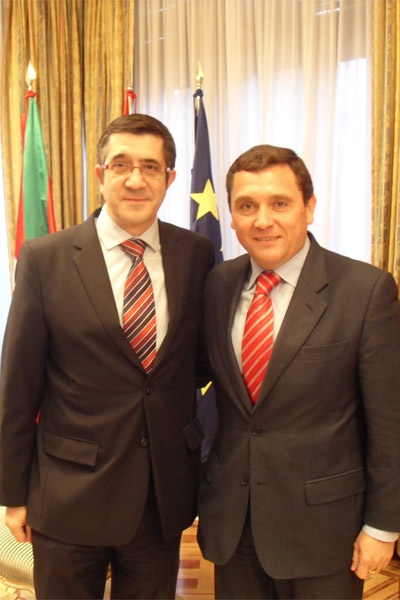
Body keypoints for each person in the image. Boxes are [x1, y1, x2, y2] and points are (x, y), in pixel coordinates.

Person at [0, 113, 214, 599]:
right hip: (69, 494)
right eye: (121, 165)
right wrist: (13, 494)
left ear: (169, 179)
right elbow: (18, 386)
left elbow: (197, 361)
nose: (135, 179)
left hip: (160, 496)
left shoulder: (196, 253)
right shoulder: (45, 258)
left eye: (150, 167)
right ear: (100, 175)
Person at [197, 144, 400, 599]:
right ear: (231, 215)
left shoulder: (365, 291)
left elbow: (390, 421)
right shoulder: (218, 284)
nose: (262, 220)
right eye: (246, 206)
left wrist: (383, 526)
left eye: (280, 203)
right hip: (233, 524)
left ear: (309, 208)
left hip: (325, 532)